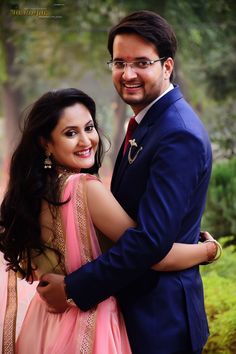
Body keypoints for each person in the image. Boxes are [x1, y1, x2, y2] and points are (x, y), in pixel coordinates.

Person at [37, 11, 219, 354]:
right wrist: (205, 250)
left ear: (167, 67)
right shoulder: (147, 123)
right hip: (132, 311)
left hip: (160, 319)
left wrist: (74, 288)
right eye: (119, 62)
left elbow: (151, 241)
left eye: (141, 63)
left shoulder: (178, 134)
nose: (128, 74)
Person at [0, 88, 220, 354]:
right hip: (89, 323)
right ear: (45, 143)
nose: (86, 140)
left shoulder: (32, 194)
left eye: (89, 127)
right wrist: (208, 251)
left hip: (45, 323)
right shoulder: (85, 189)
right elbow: (152, 253)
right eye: (70, 133)